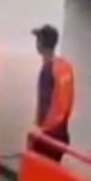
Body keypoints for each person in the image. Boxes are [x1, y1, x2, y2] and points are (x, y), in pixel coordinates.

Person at [30, 24, 75, 163]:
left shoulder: (47, 71)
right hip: (62, 133)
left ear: (40, 44)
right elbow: (69, 101)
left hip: (48, 137)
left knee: (39, 173)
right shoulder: (65, 66)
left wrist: (42, 131)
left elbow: (50, 105)